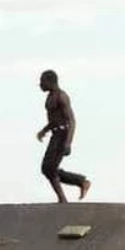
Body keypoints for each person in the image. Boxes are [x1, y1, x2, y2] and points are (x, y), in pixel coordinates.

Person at [37, 70, 92, 203]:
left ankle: (66, 195)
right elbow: (54, 120)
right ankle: (80, 182)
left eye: (42, 82)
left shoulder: (62, 96)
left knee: (49, 168)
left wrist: (68, 142)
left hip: (63, 134)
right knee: (47, 168)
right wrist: (44, 131)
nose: (40, 85)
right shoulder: (50, 97)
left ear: (50, 82)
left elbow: (71, 120)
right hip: (55, 134)